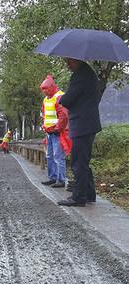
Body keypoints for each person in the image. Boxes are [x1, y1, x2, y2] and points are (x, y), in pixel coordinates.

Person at [57, 58, 101, 207]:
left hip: (82, 124)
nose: (67, 65)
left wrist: (60, 99)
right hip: (88, 123)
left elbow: (69, 99)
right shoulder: (89, 73)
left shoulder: (80, 75)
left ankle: (79, 197)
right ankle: (89, 194)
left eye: (69, 62)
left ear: (77, 59)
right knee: (83, 161)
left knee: (78, 162)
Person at [39, 75, 71, 188]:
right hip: (49, 132)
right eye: (43, 90)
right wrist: (44, 126)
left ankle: (61, 180)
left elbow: (64, 115)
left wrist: (58, 128)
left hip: (57, 132)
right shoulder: (46, 99)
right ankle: (53, 177)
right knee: (50, 156)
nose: (45, 92)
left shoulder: (59, 96)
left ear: (51, 87)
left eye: (46, 89)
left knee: (58, 156)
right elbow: (44, 114)